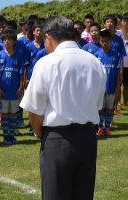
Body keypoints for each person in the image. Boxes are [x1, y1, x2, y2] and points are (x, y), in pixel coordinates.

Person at [20, 16, 106, 200]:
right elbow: (97, 104)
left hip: (57, 139)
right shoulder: (95, 62)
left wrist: (40, 133)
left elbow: (34, 110)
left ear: (49, 37)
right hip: (88, 138)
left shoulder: (46, 63)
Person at [0, 30, 25, 145]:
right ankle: (6, 137)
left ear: (14, 41)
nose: (6, 41)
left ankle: (11, 136)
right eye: (4, 39)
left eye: (9, 39)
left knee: (14, 114)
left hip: (15, 90)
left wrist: (21, 87)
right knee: (5, 114)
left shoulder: (19, 56)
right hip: (3, 91)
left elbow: (22, 73)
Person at [95, 30, 121, 136]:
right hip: (100, 88)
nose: (104, 43)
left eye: (106, 41)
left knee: (110, 109)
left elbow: (119, 72)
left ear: (110, 41)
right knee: (100, 108)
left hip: (111, 87)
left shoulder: (116, 55)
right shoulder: (96, 55)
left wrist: (118, 86)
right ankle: (100, 128)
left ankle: (107, 128)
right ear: (99, 41)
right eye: (102, 41)